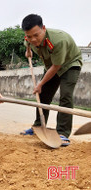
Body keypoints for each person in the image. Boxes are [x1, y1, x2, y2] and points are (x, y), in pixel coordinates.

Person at [20, 14, 82, 146]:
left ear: (43, 28)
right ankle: (38, 126)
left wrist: (40, 84)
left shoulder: (59, 40)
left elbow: (57, 66)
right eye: (29, 36)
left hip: (69, 65)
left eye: (36, 35)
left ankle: (63, 133)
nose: (33, 39)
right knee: (42, 95)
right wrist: (28, 50)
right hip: (51, 66)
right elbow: (27, 43)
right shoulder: (29, 38)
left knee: (65, 95)